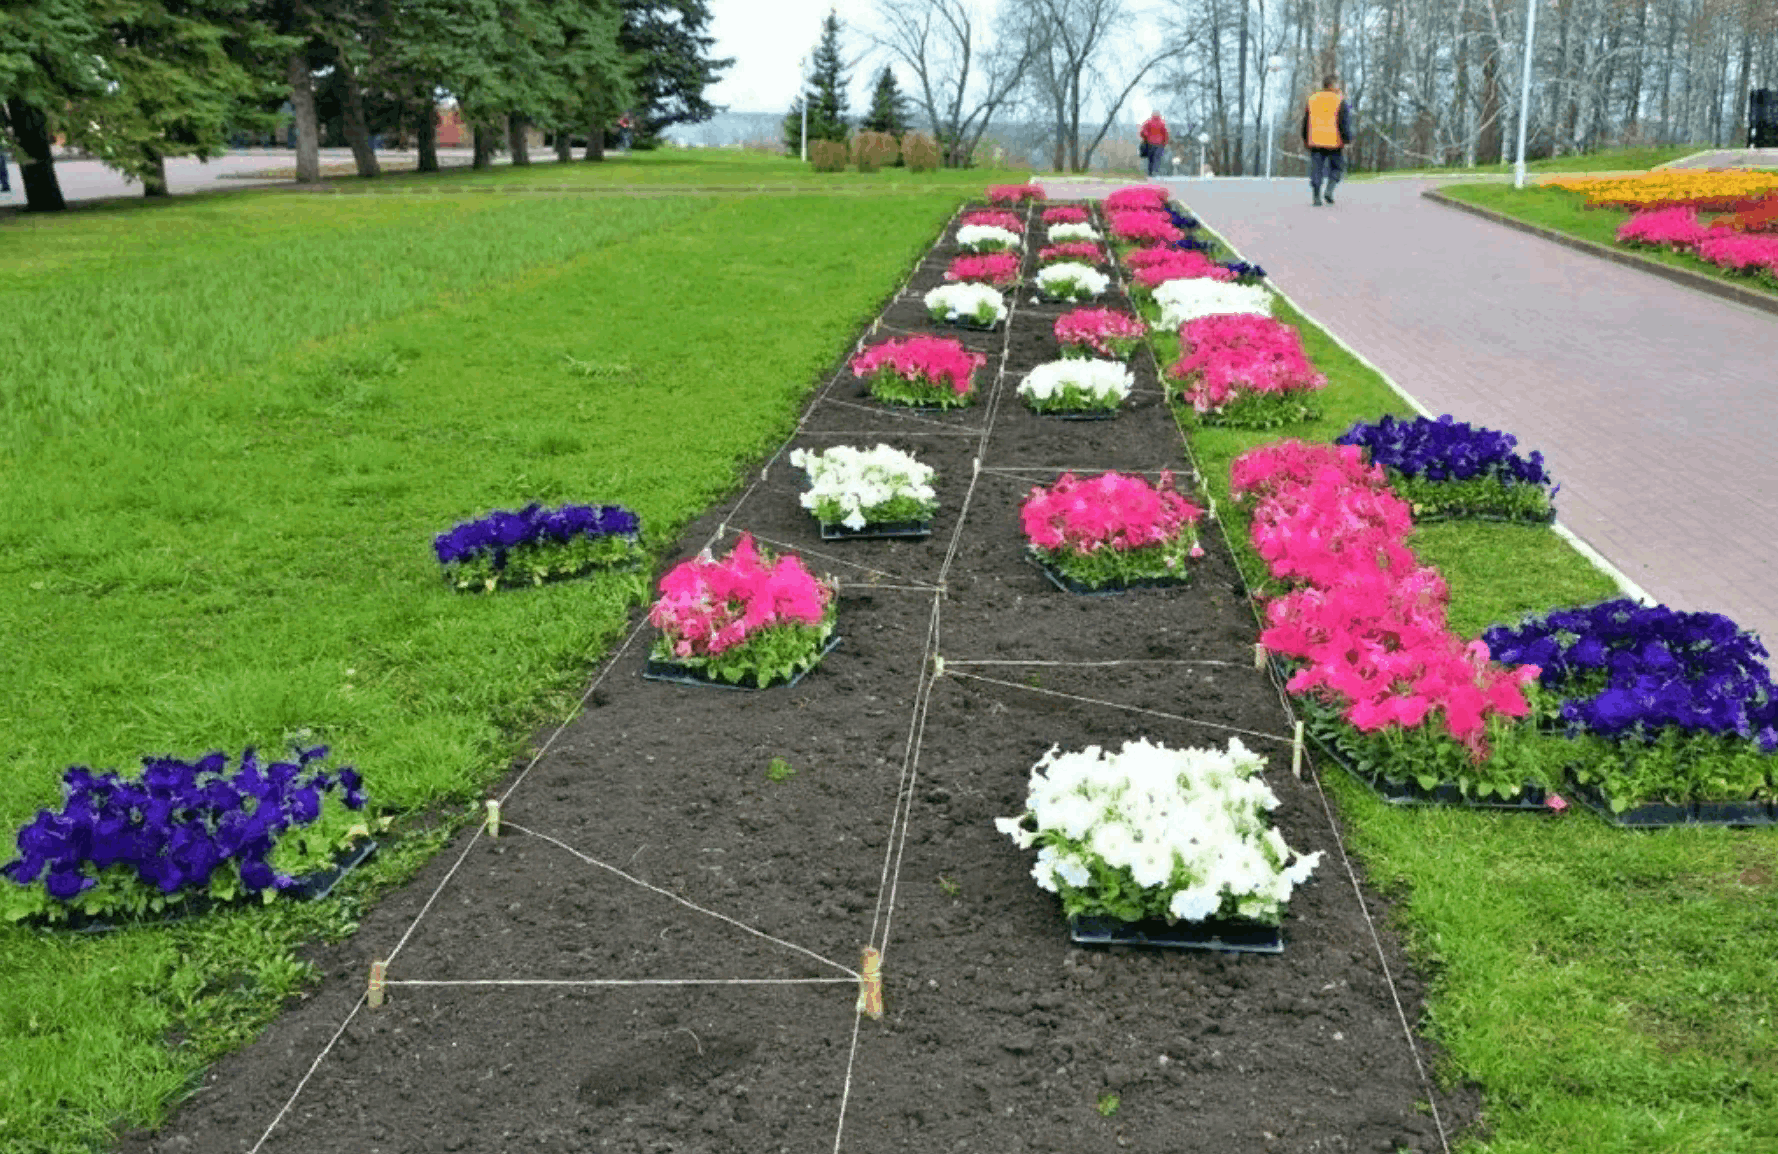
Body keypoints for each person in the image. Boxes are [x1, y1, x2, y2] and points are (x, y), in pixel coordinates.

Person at [1301, 75, 1352, 206]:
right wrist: (1347, 139)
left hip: (1316, 140)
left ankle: (1316, 197)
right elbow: (1344, 122)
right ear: (1333, 85)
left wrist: (1305, 138)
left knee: (1316, 169)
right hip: (1334, 141)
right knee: (1336, 167)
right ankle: (1329, 190)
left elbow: (1306, 121)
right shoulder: (1340, 100)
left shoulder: (1312, 99)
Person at [1139, 112, 1169, 178]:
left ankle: (1150, 172)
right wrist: (1165, 142)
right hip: (1160, 144)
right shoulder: (1162, 124)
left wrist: (1146, 138)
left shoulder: (1148, 123)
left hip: (1150, 143)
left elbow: (1143, 132)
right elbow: (1165, 134)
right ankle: (1155, 171)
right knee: (1157, 157)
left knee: (1151, 158)